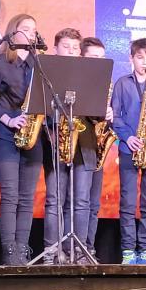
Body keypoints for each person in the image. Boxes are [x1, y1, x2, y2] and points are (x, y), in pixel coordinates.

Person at [0, 14, 44, 266]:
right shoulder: (0, 62)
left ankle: (22, 249)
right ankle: (9, 251)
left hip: (33, 135)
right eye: (26, 28)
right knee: (10, 195)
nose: (31, 33)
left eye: (34, 30)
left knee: (27, 197)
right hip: (6, 133)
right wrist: (8, 119)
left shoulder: (39, 66)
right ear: (13, 32)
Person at [38, 28, 94, 263]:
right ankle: (52, 251)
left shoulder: (90, 74)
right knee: (54, 199)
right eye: (66, 47)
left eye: (75, 48)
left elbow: (97, 111)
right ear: (55, 49)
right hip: (56, 139)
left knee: (81, 201)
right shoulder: (45, 74)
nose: (71, 51)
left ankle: (77, 250)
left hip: (84, 142)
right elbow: (38, 107)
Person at [111, 38, 146, 265]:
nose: (145, 62)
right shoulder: (122, 83)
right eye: (140, 57)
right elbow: (115, 116)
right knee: (128, 203)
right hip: (128, 148)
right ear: (131, 58)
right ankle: (128, 250)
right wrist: (127, 136)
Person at [80, 37, 112, 258]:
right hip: (81, 145)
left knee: (93, 203)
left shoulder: (105, 83)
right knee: (80, 201)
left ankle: (89, 247)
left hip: (97, 144)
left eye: (102, 57)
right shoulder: (78, 80)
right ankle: (77, 246)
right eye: (93, 57)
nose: (99, 62)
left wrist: (109, 113)